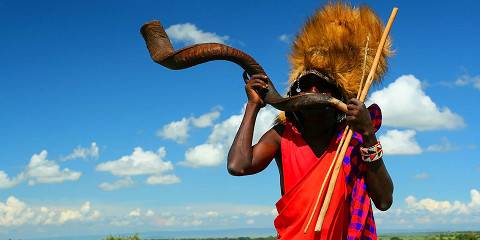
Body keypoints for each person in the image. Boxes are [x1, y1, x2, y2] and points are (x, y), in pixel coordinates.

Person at [227, 3, 394, 240]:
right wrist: (253, 106)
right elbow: (238, 166)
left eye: (322, 86)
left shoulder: (350, 139)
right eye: (305, 86)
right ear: (294, 97)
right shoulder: (282, 135)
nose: (313, 90)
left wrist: (368, 134)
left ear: (337, 97)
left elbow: (384, 200)